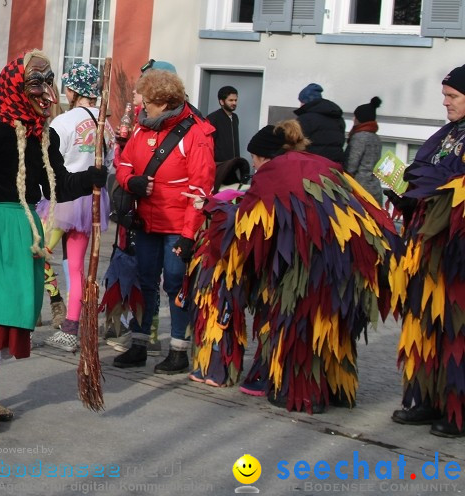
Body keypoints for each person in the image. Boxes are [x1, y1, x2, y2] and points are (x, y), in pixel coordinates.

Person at [0, 50, 108, 432]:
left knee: (14, 311)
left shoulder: (41, 134)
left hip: (25, 226)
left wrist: (92, 178)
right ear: (15, 85)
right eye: (35, 84)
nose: (44, 92)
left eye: (46, 84)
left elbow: (59, 185)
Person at [188, 120, 395, 412]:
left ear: (264, 156)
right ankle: (336, 388)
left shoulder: (273, 173)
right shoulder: (321, 163)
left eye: (254, 159)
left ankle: (301, 393)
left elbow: (246, 230)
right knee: (330, 323)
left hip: (313, 261)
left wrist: (215, 207)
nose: (254, 166)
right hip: (355, 257)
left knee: (298, 319)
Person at [112, 68, 215, 375]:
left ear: (164, 101)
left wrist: (188, 235)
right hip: (146, 222)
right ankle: (140, 344)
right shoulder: (143, 129)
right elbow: (124, 165)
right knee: (145, 281)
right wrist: (132, 183)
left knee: (175, 284)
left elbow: (201, 189)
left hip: (178, 225)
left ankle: (179, 349)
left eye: (148, 100)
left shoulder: (197, 133)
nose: (142, 104)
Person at [388, 65, 465, 437]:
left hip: (457, 250)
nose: (445, 102)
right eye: (445, 95)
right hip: (427, 245)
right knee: (428, 326)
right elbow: (425, 171)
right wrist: (406, 197)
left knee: (457, 329)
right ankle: (430, 399)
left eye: (452, 97)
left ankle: (459, 410)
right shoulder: (448, 133)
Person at [39, 61, 111, 352]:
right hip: (91, 199)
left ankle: (34, 316)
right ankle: (71, 326)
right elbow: (110, 162)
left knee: (38, 254)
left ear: (71, 91)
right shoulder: (105, 121)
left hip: (64, 197)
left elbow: (49, 162)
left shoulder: (63, 122)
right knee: (76, 266)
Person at [344, 97, 384, 206]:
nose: (353, 119)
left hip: (360, 189)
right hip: (374, 188)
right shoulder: (376, 138)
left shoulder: (359, 137)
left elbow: (351, 165)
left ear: (360, 119)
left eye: (355, 116)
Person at [295, 83, 346, 165]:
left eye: (301, 101)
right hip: (335, 168)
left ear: (306, 101)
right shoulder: (338, 119)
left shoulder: (305, 119)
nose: (300, 105)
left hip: (313, 167)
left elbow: (295, 144)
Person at [207, 86, 240, 163]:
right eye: (231, 100)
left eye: (235, 100)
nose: (234, 103)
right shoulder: (213, 118)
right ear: (221, 102)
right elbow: (208, 144)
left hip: (234, 164)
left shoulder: (235, 118)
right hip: (219, 165)